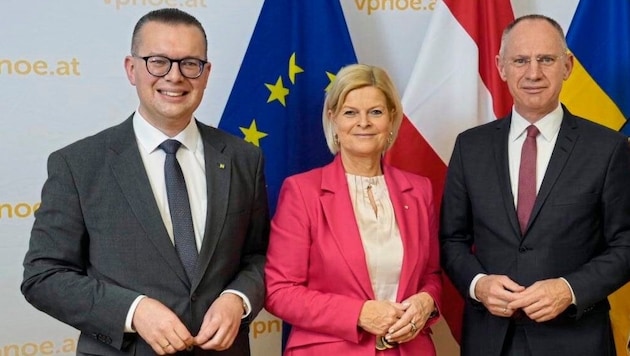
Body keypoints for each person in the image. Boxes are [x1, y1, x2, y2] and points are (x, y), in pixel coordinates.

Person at [21, 8, 269, 356]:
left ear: (206, 73)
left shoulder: (245, 158)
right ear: (131, 68)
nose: (175, 76)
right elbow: (43, 277)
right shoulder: (78, 164)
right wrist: (133, 311)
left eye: (189, 64)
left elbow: (259, 256)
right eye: (158, 61)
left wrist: (238, 298)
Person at [440, 14, 630, 356]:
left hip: (576, 340)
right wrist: (478, 284)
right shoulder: (470, 147)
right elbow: (452, 239)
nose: (533, 73)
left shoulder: (608, 148)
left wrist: (569, 289)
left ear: (567, 66)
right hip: (490, 341)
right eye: (520, 60)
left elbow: (627, 243)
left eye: (546, 59)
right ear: (500, 67)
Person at [264, 63, 442, 355]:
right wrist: (359, 313)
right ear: (333, 120)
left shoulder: (419, 190)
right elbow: (279, 292)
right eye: (350, 112)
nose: (364, 122)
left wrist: (427, 302)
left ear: (391, 119)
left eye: (375, 112)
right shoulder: (302, 192)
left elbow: (431, 275)